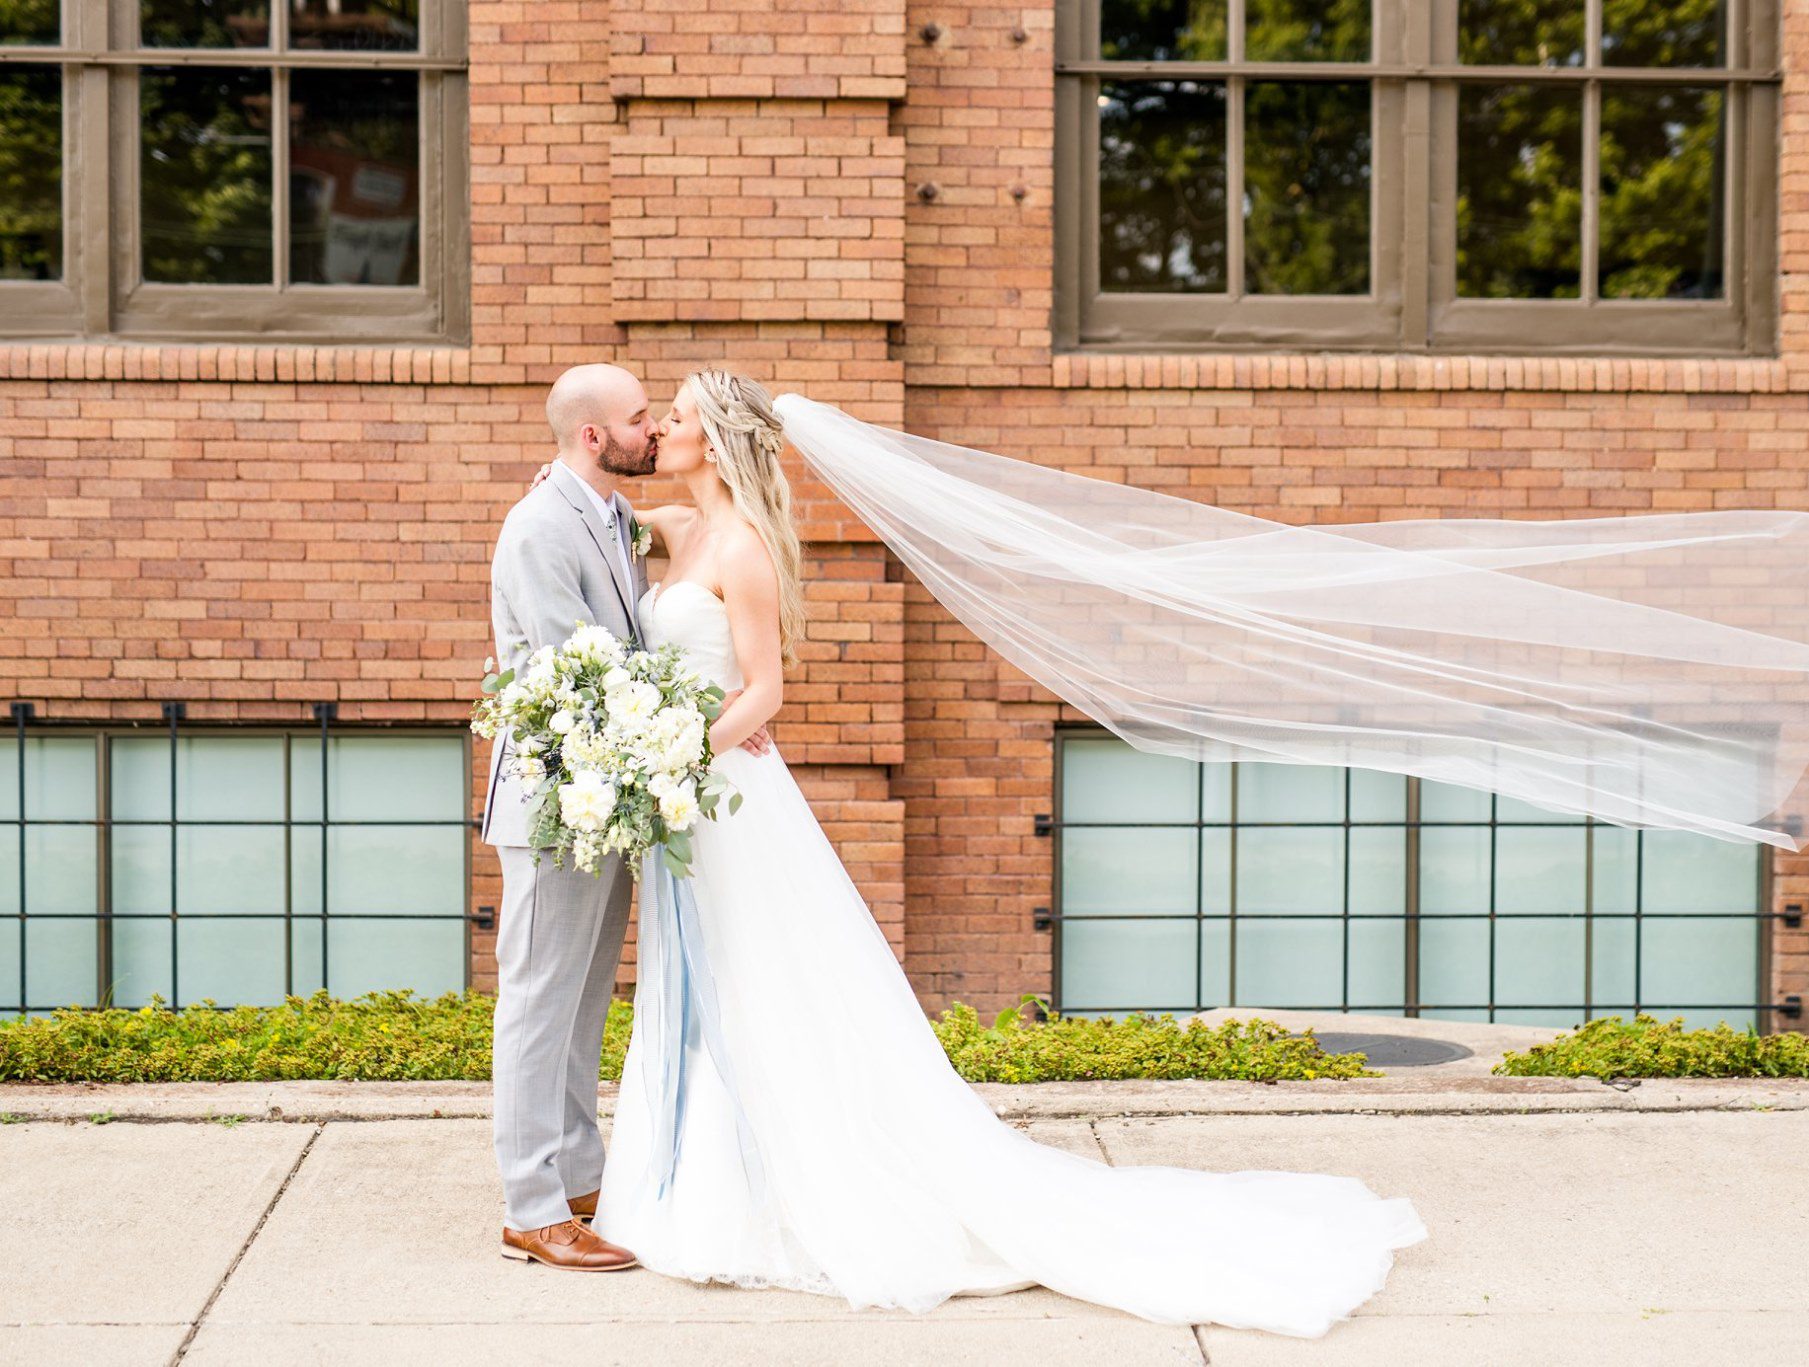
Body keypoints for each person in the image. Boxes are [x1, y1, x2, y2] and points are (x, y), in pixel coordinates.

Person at [588, 369, 1428, 1338]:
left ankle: (771, 1186)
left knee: (757, 980)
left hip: (723, 794)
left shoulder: (742, 548)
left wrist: (680, 752)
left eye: (679, 417)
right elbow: (598, 503)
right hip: (687, 798)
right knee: (702, 982)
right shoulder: (679, 526)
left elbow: (766, 690)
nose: (664, 429)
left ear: (720, 439)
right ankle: (701, 1177)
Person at [483, 364, 769, 1272]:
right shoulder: (539, 527)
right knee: (539, 1000)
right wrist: (691, 729)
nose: (654, 429)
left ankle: (576, 1178)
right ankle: (532, 1208)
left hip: (609, 801)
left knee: (580, 1001)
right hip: (556, 805)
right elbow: (577, 672)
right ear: (593, 436)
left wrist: (717, 706)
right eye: (642, 418)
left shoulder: (612, 514)